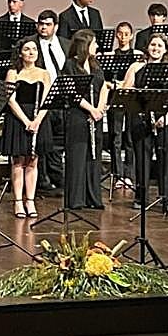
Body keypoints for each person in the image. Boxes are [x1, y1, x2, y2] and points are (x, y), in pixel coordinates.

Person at [123, 34, 168, 211]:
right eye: (153, 44)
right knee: (142, 158)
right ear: (147, 47)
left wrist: (167, 117)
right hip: (141, 116)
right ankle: (141, 198)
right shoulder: (136, 66)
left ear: (166, 49)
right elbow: (126, 90)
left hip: (165, 117)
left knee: (167, 157)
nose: (155, 48)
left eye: (160, 45)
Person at [60, 29, 110, 210]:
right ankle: (76, 199)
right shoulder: (70, 65)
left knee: (94, 156)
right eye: (94, 43)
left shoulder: (95, 64)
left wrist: (100, 109)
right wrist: (90, 109)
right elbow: (71, 92)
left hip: (96, 116)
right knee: (78, 155)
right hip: (79, 115)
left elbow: (103, 87)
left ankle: (92, 197)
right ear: (84, 45)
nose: (97, 46)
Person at [2, 38, 51, 218]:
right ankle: (18, 201)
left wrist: (37, 120)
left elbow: (47, 100)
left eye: (34, 49)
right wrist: (26, 121)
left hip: (38, 118)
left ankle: (30, 200)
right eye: (27, 49)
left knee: (33, 161)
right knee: (18, 161)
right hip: (18, 119)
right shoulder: (13, 73)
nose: (31, 52)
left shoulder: (44, 73)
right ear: (20, 53)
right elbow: (10, 100)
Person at [35, 10, 69, 191]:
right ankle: (42, 178)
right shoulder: (31, 44)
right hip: (41, 99)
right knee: (43, 139)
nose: (43, 27)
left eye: (47, 24)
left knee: (59, 139)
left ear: (55, 26)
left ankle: (57, 174)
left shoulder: (65, 44)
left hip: (62, 99)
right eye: (41, 24)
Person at [106, 21, 140, 190]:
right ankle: (117, 173)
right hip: (115, 98)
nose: (123, 37)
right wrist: (115, 85)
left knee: (130, 137)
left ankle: (129, 174)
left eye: (126, 34)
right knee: (116, 136)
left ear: (131, 36)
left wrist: (126, 85)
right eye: (120, 34)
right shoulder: (110, 56)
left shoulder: (137, 56)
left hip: (131, 99)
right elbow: (105, 81)